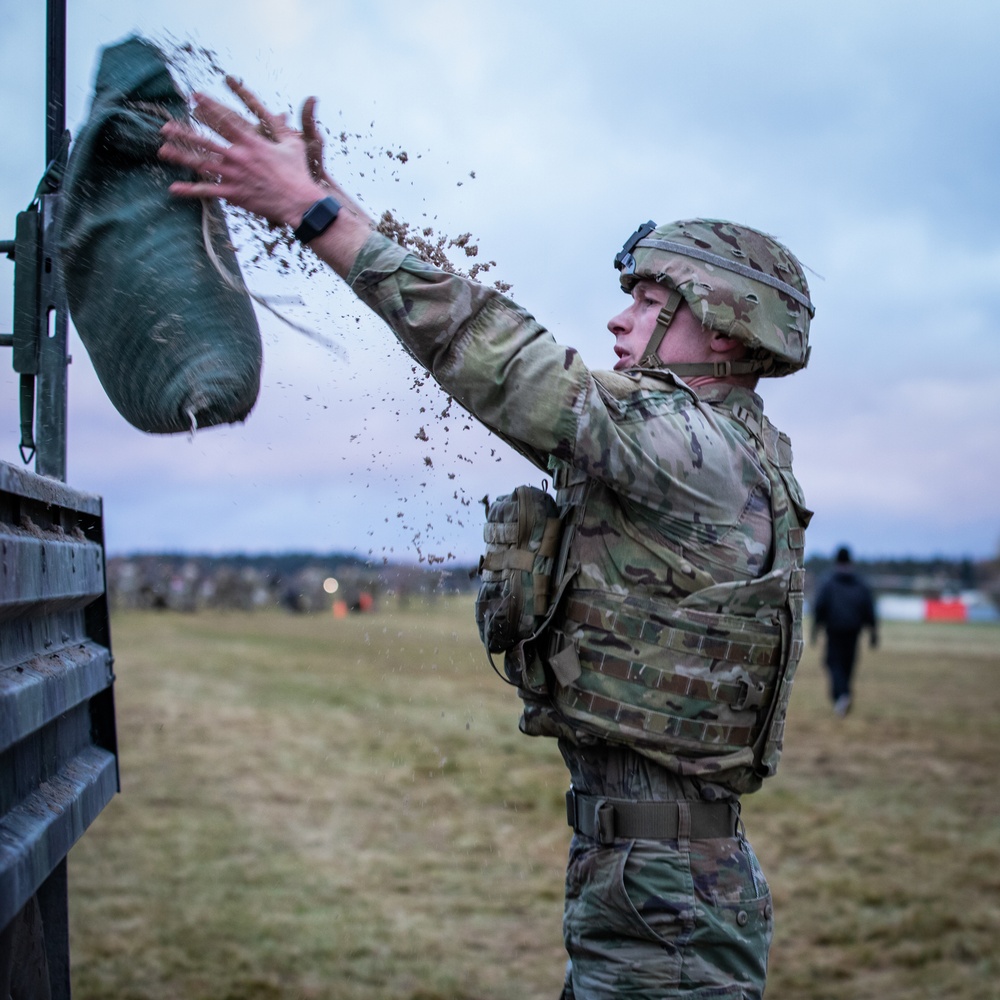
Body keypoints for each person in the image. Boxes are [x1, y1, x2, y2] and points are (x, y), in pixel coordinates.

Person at [159, 81, 815, 1000]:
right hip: (647, 878)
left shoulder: (688, 444)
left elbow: (507, 363)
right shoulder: (714, 445)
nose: (619, 321)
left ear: (723, 322)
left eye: (649, 301)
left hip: (669, 900)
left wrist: (313, 217)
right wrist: (334, 201)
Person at [811, 546, 877, 716]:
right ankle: (844, 696)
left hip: (834, 631)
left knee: (833, 663)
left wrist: (815, 630)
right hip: (854, 632)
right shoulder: (860, 584)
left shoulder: (829, 582)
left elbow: (819, 607)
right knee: (848, 665)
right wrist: (873, 632)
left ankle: (841, 696)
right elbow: (869, 608)